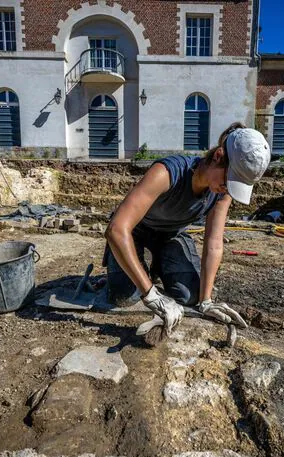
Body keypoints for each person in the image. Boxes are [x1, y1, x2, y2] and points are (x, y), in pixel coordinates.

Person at [104, 122, 271, 339]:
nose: (227, 189)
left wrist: (207, 301)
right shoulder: (167, 173)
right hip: (134, 234)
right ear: (219, 156)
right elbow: (117, 229)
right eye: (228, 181)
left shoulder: (222, 192)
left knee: (190, 295)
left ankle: (154, 267)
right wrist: (152, 295)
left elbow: (214, 242)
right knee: (125, 296)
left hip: (170, 237)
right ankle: (143, 268)